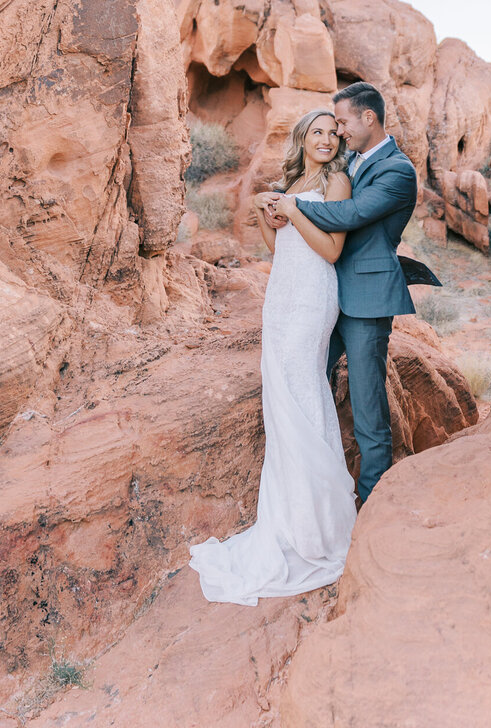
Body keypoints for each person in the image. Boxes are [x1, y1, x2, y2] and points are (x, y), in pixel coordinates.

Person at [189, 110, 357, 606]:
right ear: (303, 138)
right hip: (282, 293)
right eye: (318, 132)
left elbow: (330, 251)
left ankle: (319, 527)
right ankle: (287, 520)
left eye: (333, 132)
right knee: (281, 398)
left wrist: (295, 210)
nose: (326, 139)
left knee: (303, 388)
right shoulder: (295, 180)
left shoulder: (338, 183)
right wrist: (269, 215)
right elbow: (278, 244)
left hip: (313, 297)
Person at [270, 82, 417, 505]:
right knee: (304, 379)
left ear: (368, 118)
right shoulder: (350, 159)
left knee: (367, 403)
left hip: (366, 298)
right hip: (322, 294)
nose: (338, 132)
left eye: (343, 122)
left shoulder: (397, 169)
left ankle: (372, 503)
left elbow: (352, 214)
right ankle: (307, 491)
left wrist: (293, 205)